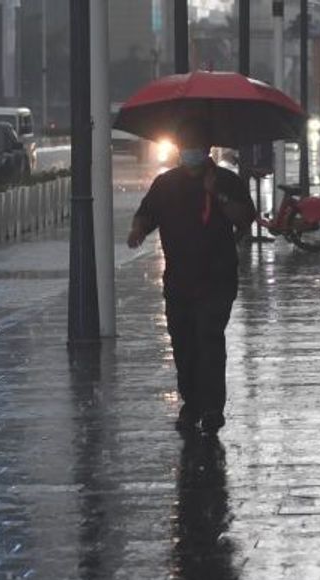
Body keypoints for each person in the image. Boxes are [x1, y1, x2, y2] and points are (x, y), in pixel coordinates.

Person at [126, 120, 256, 435]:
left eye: (195, 148)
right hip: (179, 280)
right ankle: (191, 404)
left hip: (217, 278)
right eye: (185, 148)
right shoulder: (166, 183)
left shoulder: (226, 180)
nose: (190, 153)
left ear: (207, 150)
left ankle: (212, 408)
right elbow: (147, 213)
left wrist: (219, 197)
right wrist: (138, 229)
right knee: (184, 344)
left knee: (209, 340)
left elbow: (245, 217)